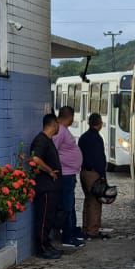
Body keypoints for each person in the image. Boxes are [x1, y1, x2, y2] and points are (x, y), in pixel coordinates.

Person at [30, 112, 62, 260]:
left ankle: (47, 244)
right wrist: (50, 171)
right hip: (45, 188)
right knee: (43, 218)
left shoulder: (49, 140)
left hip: (52, 188)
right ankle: (41, 248)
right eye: (57, 124)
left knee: (49, 218)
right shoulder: (41, 140)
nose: (59, 127)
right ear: (53, 124)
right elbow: (35, 158)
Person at [53, 106, 84, 248]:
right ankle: (67, 237)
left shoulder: (63, 130)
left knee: (70, 205)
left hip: (69, 174)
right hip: (65, 175)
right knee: (67, 206)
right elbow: (54, 150)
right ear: (70, 117)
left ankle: (71, 233)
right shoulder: (59, 130)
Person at [79, 112, 110, 240]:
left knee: (88, 200)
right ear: (100, 124)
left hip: (83, 172)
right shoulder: (97, 138)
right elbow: (99, 159)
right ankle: (93, 231)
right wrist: (103, 176)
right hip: (94, 174)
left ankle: (85, 227)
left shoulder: (83, 137)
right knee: (95, 202)